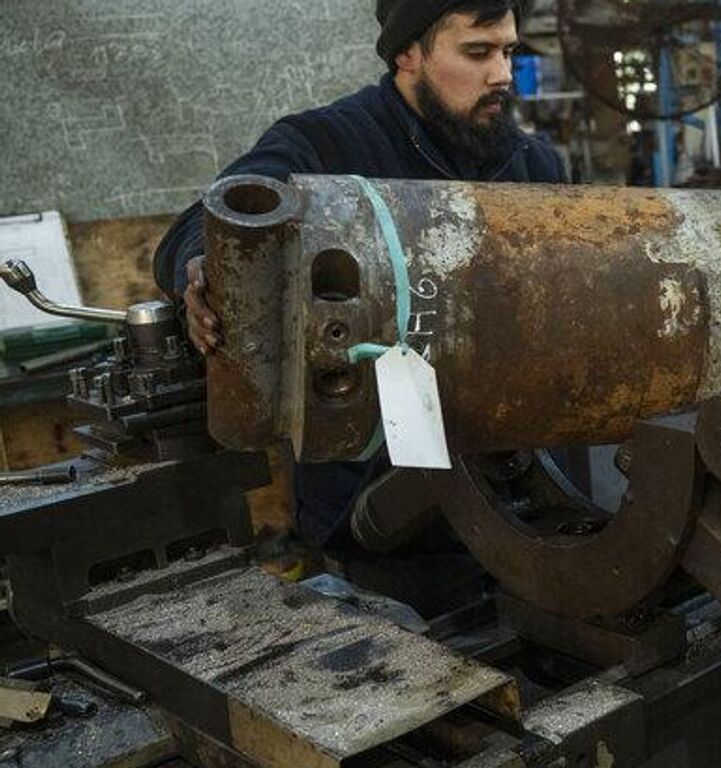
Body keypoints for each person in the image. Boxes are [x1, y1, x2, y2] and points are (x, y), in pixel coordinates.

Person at [153, 0, 565, 554]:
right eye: (477, 52)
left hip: (517, 495)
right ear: (407, 54)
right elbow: (220, 213)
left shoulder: (530, 164)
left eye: (509, 52)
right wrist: (204, 264)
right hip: (376, 513)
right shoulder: (325, 145)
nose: (502, 75)